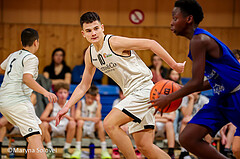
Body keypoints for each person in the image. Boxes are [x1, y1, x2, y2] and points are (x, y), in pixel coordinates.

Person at [56, 12, 185, 159]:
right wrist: (66, 106)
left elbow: (151, 44)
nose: (93, 33)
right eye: (89, 30)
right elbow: (83, 86)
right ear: (83, 34)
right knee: (145, 146)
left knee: (110, 124)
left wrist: (173, 64)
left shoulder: (113, 42)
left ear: (102, 28)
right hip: (132, 94)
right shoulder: (90, 54)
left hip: (144, 89)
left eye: (96, 28)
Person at [151, 0, 240, 158]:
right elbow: (212, 80)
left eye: (175, 18)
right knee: (187, 138)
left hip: (237, 95)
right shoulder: (197, 41)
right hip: (222, 97)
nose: (171, 23)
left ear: (189, 19)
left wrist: (169, 97)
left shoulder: (200, 40)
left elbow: (196, 82)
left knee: (237, 150)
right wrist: (179, 92)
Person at [0, 28, 57, 159]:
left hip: (4, 100)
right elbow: (27, 78)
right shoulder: (31, 58)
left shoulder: (14, 55)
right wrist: (45, 92)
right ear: (36, 42)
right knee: (35, 137)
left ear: (21, 42)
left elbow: (2, 68)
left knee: (40, 130)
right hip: (17, 101)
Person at [71, 85, 111, 159]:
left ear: (95, 97)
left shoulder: (97, 104)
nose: (90, 100)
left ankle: (104, 150)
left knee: (99, 123)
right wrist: (91, 119)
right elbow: (76, 117)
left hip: (93, 128)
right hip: (82, 127)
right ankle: (78, 149)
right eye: (88, 97)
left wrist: (98, 102)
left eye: (92, 98)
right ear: (85, 95)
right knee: (80, 122)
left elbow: (98, 118)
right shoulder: (81, 102)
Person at [40, 82, 76, 159]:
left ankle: (66, 149)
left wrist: (64, 115)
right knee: (44, 124)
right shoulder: (52, 104)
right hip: (53, 126)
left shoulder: (70, 104)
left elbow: (73, 119)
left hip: (65, 127)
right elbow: (42, 118)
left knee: (73, 123)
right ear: (56, 93)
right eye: (60, 92)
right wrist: (55, 117)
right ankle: (50, 149)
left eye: (65, 92)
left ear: (68, 93)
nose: (63, 95)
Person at [111, 88, 142, 159]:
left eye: (125, 94)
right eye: (122, 94)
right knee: (113, 127)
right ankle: (115, 149)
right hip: (120, 124)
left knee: (136, 127)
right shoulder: (116, 101)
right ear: (119, 94)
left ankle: (137, 149)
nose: (123, 96)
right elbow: (114, 117)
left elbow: (135, 117)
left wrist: (127, 124)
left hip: (131, 123)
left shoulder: (132, 102)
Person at [178, 92, 209, 159]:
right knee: (184, 122)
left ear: (198, 91)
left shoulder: (205, 100)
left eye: (193, 90)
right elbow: (186, 115)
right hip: (189, 124)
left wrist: (193, 119)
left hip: (201, 123)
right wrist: (191, 100)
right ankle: (184, 152)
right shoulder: (185, 99)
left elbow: (206, 116)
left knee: (207, 124)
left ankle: (206, 152)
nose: (190, 92)